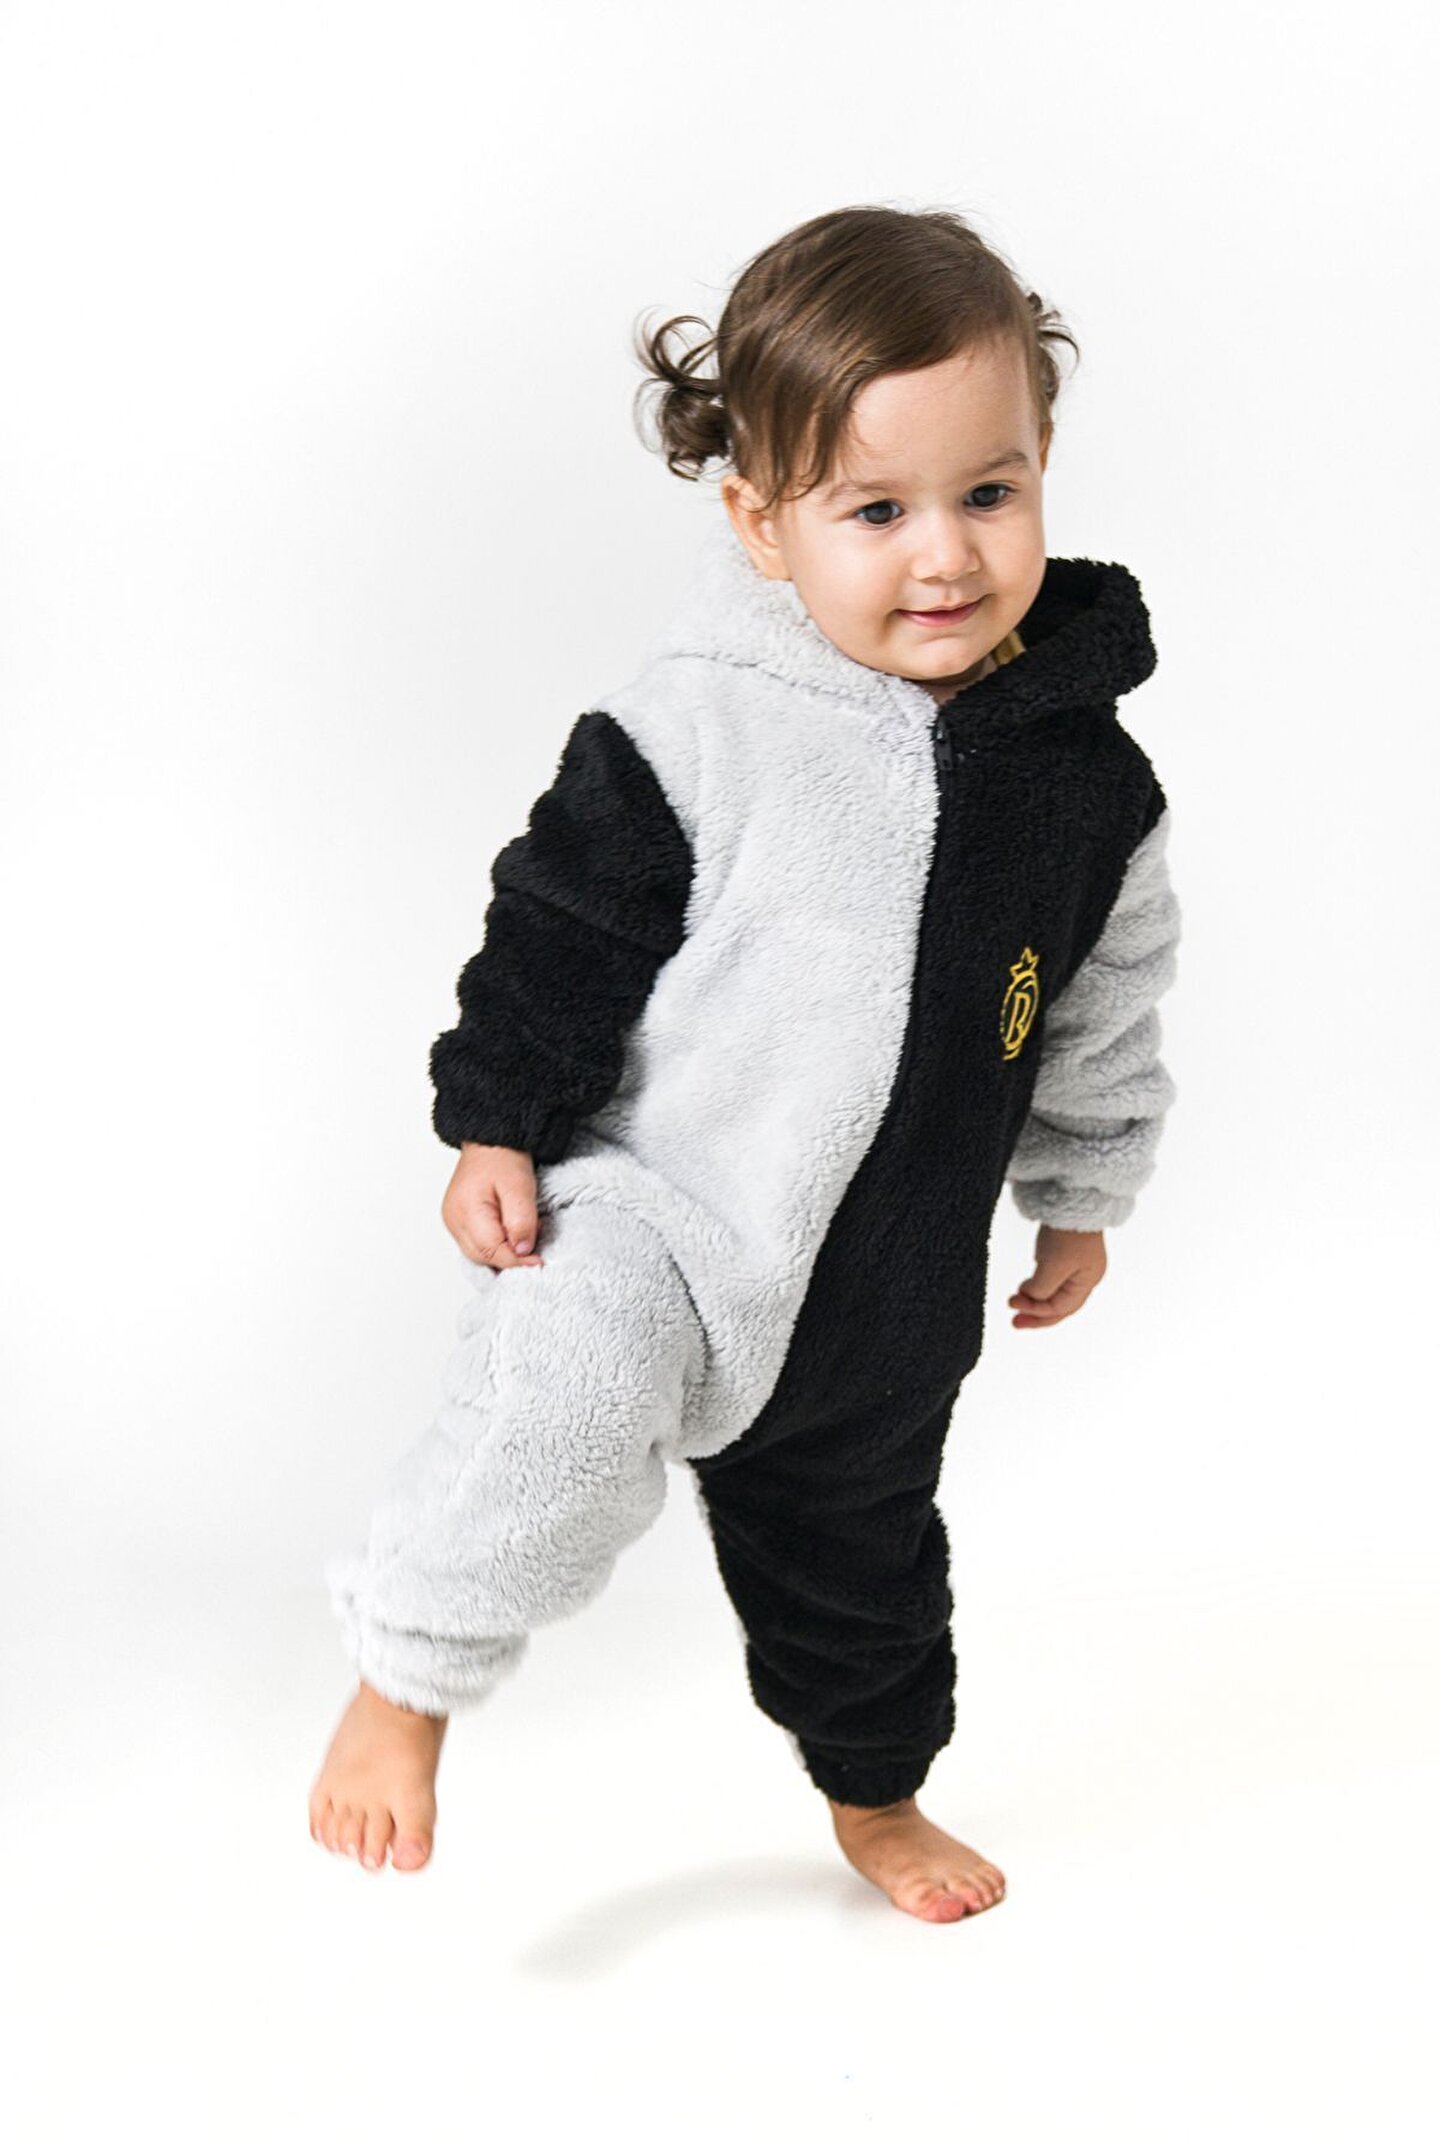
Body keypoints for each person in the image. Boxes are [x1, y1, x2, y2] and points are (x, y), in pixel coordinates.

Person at [307, 202, 1182, 1925]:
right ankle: (406, 1679)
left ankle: (879, 1798)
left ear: (1042, 469)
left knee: (868, 1582)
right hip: (662, 1220)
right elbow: (560, 925)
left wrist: (1083, 1194)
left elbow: (1102, 1008)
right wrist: (496, 1123)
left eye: (988, 492)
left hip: (885, 1295)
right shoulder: (698, 727)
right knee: (552, 1420)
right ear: (763, 524)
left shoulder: (1089, 786)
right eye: (876, 511)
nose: (945, 556)